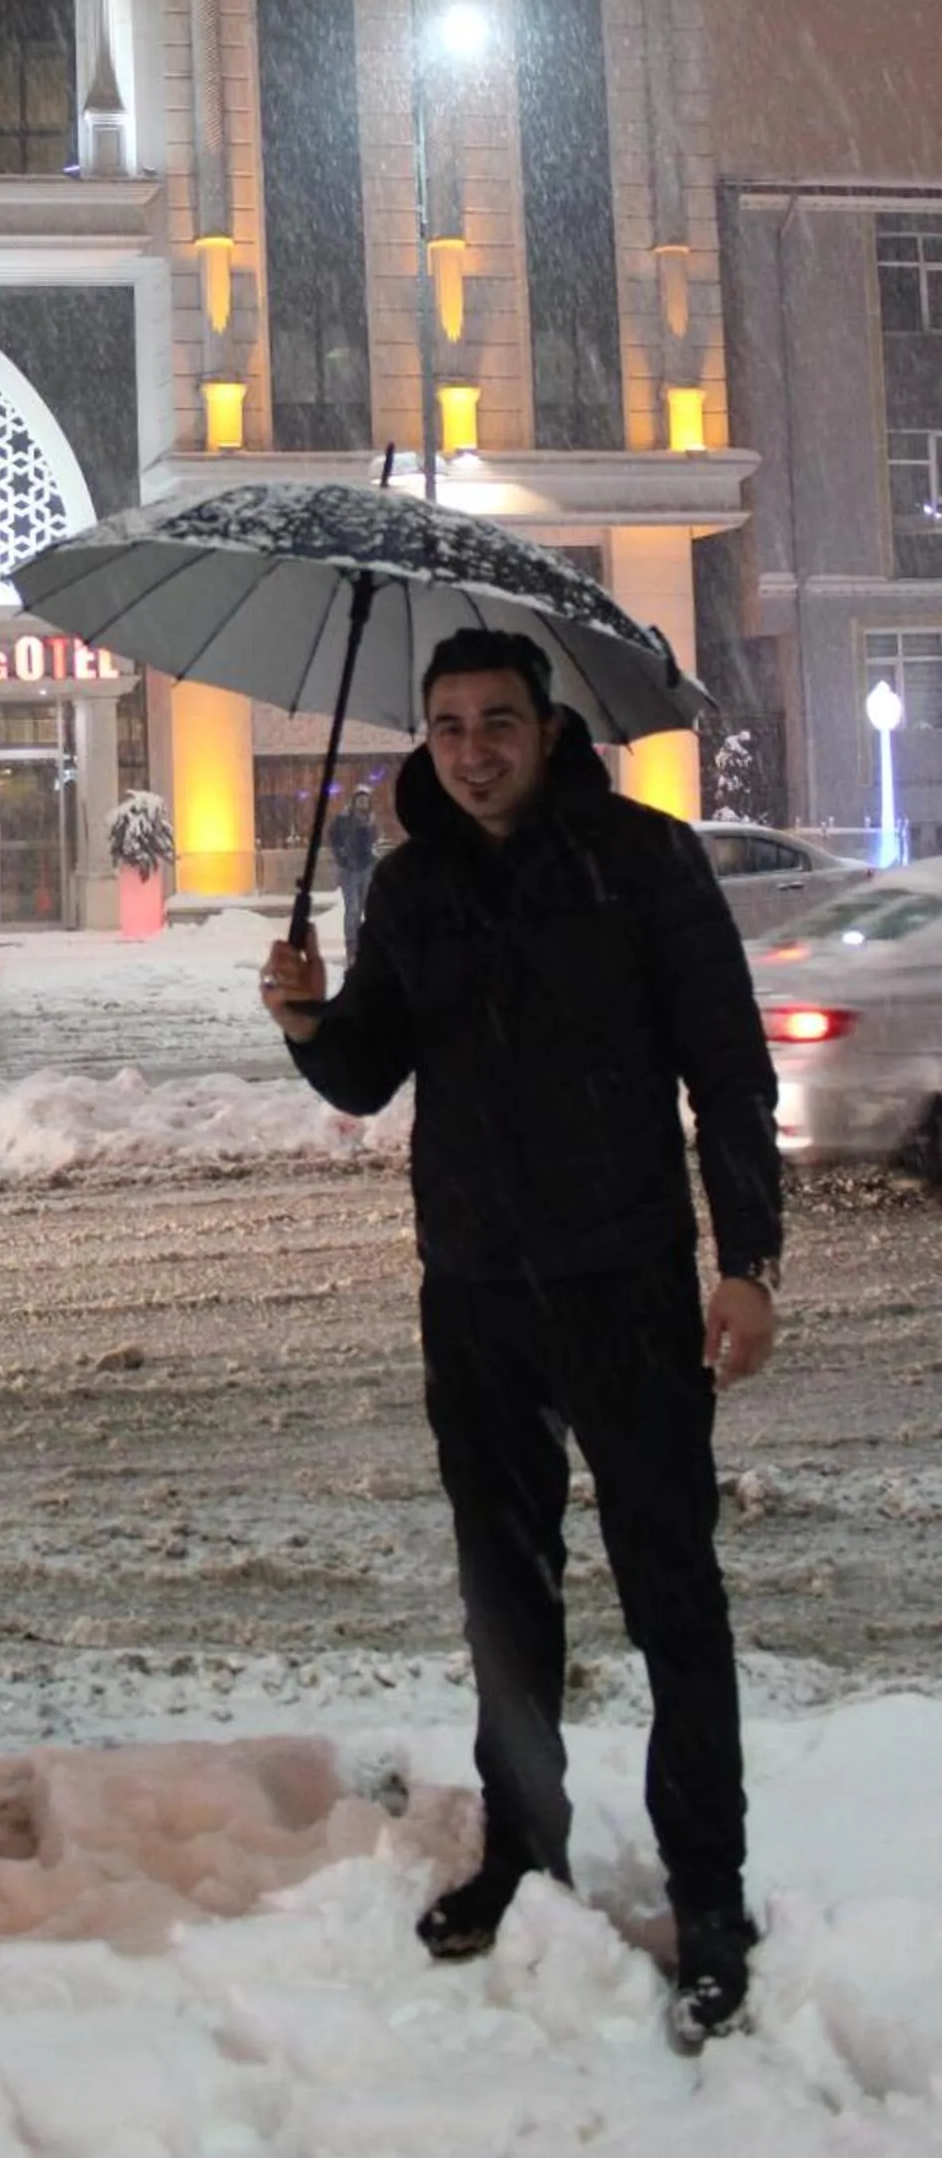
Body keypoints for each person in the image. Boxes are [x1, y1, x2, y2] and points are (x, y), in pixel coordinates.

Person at [260, 628, 782, 2049]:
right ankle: (520, 1849)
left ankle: (712, 1896)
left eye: (498, 720)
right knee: (506, 1592)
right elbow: (372, 1071)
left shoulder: (645, 863)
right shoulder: (418, 888)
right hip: (477, 1288)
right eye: (446, 727)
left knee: (675, 1596)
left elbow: (730, 1072)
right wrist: (308, 1021)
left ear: (548, 729)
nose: (474, 748)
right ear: (423, 742)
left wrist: (749, 1262)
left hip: (627, 1286)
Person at [325, 783, 378, 951]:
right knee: (352, 908)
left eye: (365, 800)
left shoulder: (370, 820)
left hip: (366, 867)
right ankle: (351, 945)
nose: (362, 804)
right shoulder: (344, 818)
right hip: (349, 869)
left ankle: (362, 944)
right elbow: (332, 837)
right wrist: (340, 855)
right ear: (354, 801)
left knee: (363, 907)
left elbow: (373, 841)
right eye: (360, 800)